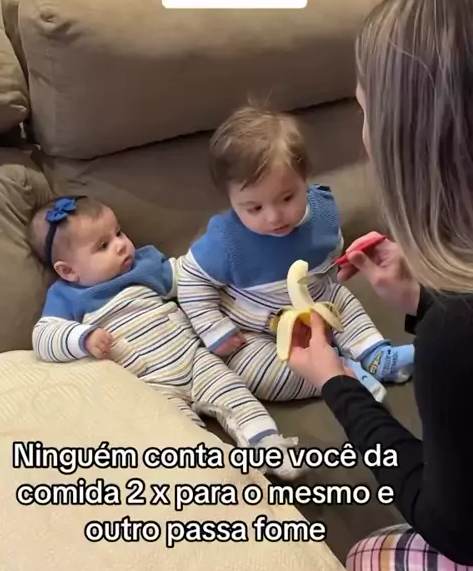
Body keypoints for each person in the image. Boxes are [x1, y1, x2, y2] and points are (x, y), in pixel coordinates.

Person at [287, 0, 473, 571]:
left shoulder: (458, 334)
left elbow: (451, 527)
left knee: (366, 565)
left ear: (406, 138)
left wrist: (335, 382)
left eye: (364, 111)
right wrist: (421, 302)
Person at [28, 195, 302, 480]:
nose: (121, 244)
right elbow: (43, 335)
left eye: (118, 232)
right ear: (69, 271)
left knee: (236, 395)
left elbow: (188, 275)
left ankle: (268, 446)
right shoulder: (67, 297)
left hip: (196, 360)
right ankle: (216, 477)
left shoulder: (144, 265)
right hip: (151, 384)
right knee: (177, 433)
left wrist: (218, 259)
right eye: (103, 246)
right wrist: (82, 338)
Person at [177, 105, 415, 411]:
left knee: (343, 299)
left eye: (287, 198)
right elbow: (190, 280)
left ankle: (377, 356)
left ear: (305, 179)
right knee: (253, 371)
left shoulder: (322, 210)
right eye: (254, 208)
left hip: (317, 301)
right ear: (231, 200)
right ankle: (341, 376)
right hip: (256, 328)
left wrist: (340, 264)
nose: (274, 216)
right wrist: (215, 329)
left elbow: (331, 251)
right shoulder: (225, 240)